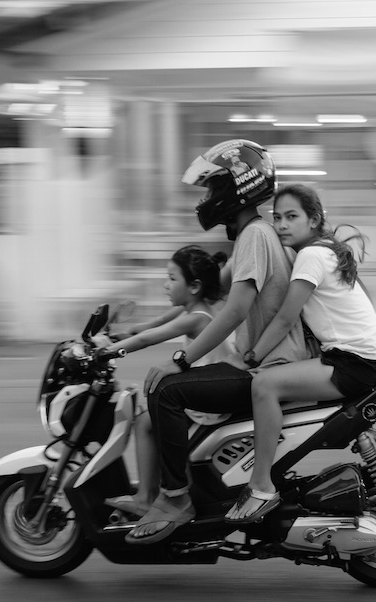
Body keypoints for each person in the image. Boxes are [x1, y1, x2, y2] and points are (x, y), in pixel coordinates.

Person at [126, 139, 310, 545]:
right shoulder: (254, 236)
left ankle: (174, 499)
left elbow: (235, 310)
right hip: (264, 364)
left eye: (211, 189)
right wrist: (129, 334)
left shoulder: (254, 237)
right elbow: (208, 293)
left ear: (233, 189)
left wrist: (181, 360)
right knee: (171, 388)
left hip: (267, 368)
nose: (206, 199)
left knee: (165, 390)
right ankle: (168, 492)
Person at [224, 183, 376, 523]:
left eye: (291, 217)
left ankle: (260, 486)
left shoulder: (311, 255)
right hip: (367, 357)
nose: (282, 225)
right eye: (277, 217)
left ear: (313, 220)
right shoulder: (327, 249)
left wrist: (251, 357)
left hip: (352, 363)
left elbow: (285, 317)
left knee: (265, 386)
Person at [95, 245, 234, 518]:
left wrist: (107, 352)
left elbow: (149, 338)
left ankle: (149, 497)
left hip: (209, 403)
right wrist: (122, 335)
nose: (165, 284)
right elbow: (153, 325)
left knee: (147, 418)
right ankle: (150, 494)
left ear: (194, 286)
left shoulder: (196, 318)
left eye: (172, 279)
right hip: (207, 393)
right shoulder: (197, 309)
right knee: (147, 416)